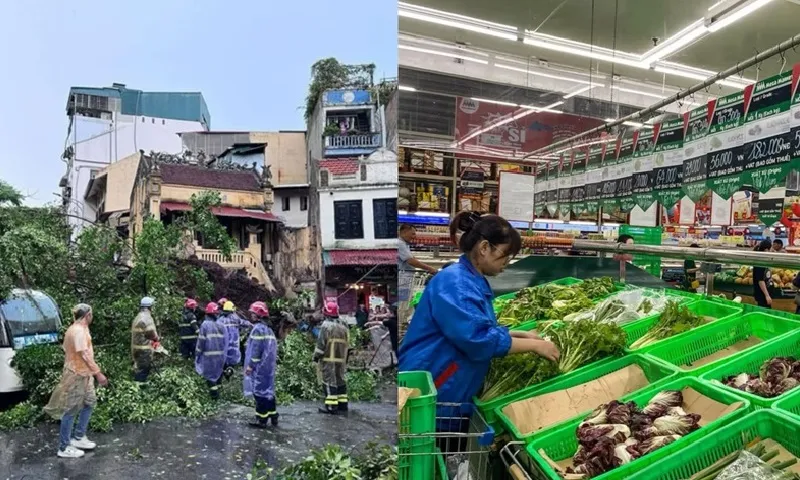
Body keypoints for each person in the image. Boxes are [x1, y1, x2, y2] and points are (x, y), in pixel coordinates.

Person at [399, 212, 560, 430]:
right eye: (505, 255)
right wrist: (535, 345)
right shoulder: (456, 283)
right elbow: (477, 339)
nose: (507, 263)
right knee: (426, 454)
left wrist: (515, 334)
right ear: (484, 248)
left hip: (448, 385)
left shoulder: (470, 279)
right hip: (435, 386)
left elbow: (474, 327)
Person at [44, 303, 108, 459]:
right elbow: (84, 355)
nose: (92, 317)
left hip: (85, 375)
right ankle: (64, 447)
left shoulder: (82, 328)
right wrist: (98, 374)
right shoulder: (77, 331)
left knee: (89, 402)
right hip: (76, 375)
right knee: (71, 410)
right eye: (91, 314)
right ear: (87, 315)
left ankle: (79, 437)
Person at [243, 301, 279, 428]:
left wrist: (251, 365)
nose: (251, 315)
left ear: (258, 315)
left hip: (259, 367)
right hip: (268, 367)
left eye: (253, 313)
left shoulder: (258, 329)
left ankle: (261, 419)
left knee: (258, 392)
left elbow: (256, 350)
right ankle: (273, 415)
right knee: (268, 391)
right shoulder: (269, 329)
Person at [398, 224, 439, 326]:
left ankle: (405, 320)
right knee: (403, 302)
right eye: (412, 234)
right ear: (404, 231)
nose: (414, 236)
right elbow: (411, 261)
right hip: (403, 277)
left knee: (408, 301)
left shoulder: (404, 244)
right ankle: (401, 322)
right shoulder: (399, 243)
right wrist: (430, 269)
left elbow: (413, 259)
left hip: (407, 278)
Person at [314, 301, 350, 415]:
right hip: (341, 357)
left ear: (326, 312)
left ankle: (331, 406)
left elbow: (321, 343)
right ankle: (343, 405)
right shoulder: (344, 325)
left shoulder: (326, 326)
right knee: (340, 379)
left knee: (329, 381)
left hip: (329, 357)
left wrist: (316, 356)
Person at [196, 302, 229, 399]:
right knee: (218, 374)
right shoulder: (221, 325)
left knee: (209, 377)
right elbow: (225, 341)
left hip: (208, 356)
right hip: (220, 356)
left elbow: (201, 341)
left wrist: (197, 353)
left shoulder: (205, 325)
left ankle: (214, 397)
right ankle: (219, 392)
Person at [219, 300, 251, 380]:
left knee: (224, 362)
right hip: (234, 346)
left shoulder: (220, 320)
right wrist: (253, 325)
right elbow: (244, 323)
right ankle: (229, 372)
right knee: (233, 362)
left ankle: (225, 373)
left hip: (223, 347)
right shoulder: (235, 318)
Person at [131, 297, 160, 382]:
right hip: (144, 352)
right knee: (143, 373)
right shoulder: (147, 318)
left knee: (138, 369)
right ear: (150, 307)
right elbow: (153, 335)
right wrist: (157, 339)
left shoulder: (138, 317)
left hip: (136, 350)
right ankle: (141, 391)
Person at [753, 239, 774, 309]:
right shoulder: (760, 262)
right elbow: (760, 280)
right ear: (766, 249)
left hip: (764, 295)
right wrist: (767, 295)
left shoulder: (764, 260)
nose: (772, 250)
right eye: (771, 248)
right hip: (762, 295)